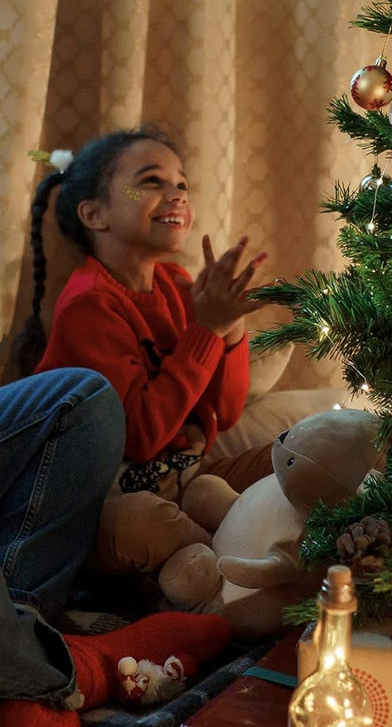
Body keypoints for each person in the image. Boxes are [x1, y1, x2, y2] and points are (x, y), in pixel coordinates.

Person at [18, 127, 273, 575]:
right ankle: (237, 564)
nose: (176, 195)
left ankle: (227, 559)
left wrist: (228, 326)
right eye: (152, 182)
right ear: (95, 214)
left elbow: (225, 413)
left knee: (302, 451)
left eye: (182, 184)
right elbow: (140, 438)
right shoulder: (89, 305)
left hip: (189, 484)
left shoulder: (175, 285)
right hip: (114, 504)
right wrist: (206, 329)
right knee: (137, 525)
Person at [0, 368, 232, 727]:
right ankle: (81, 668)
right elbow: (144, 432)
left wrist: (224, 334)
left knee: (87, 400)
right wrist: (203, 334)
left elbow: (228, 405)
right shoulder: (95, 308)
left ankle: (16, 652)